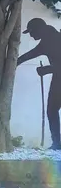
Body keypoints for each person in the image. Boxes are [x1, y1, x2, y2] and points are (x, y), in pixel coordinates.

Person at [17, 18, 61, 149]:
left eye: (31, 32)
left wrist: (47, 69)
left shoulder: (55, 39)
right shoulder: (47, 40)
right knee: (52, 110)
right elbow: (30, 54)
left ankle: (57, 143)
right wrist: (14, 62)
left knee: (52, 110)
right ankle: (57, 143)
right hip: (58, 79)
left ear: (40, 29)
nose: (31, 35)